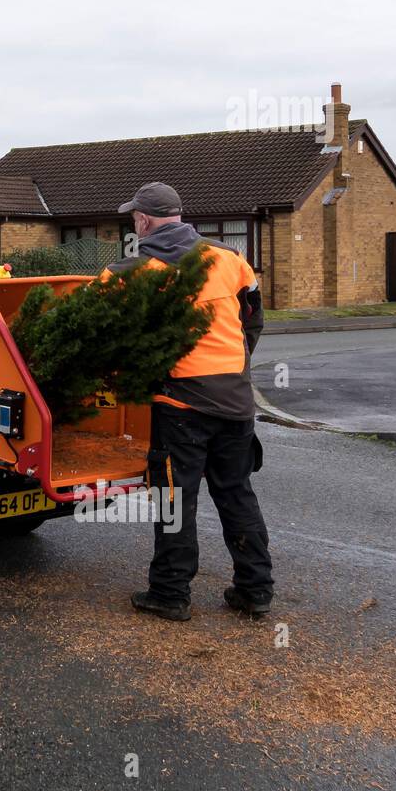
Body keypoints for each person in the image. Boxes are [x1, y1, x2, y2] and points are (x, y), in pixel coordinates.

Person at [106, 181, 273, 622]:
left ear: (142, 220)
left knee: (176, 500)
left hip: (181, 407)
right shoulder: (231, 259)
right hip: (236, 403)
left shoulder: (133, 270)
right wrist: (233, 367)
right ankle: (255, 590)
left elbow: (104, 332)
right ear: (180, 215)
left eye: (133, 218)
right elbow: (252, 319)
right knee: (237, 494)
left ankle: (170, 593)